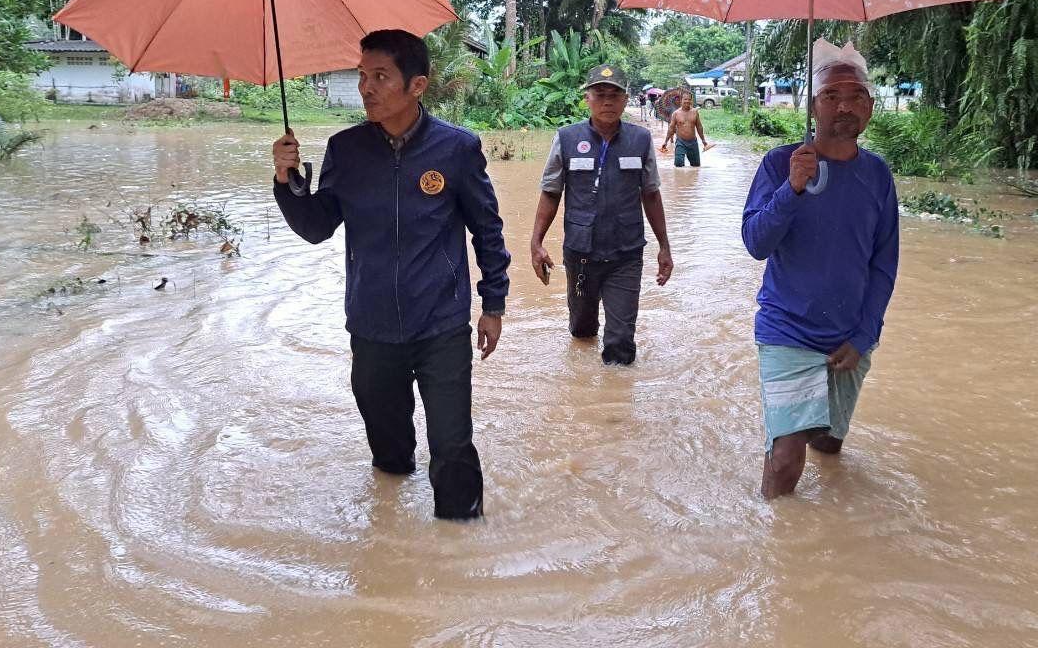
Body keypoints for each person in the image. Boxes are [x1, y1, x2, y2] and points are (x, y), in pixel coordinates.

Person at [271, 29, 510, 520]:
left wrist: (493, 304)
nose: (366, 88)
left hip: (440, 323)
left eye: (380, 76)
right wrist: (287, 181)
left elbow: (487, 230)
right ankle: (391, 549)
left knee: (453, 447)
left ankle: (459, 550)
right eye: (362, 76)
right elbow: (317, 227)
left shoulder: (457, 149)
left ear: (417, 85)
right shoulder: (346, 150)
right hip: (372, 325)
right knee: (390, 457)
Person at [740, 39, 898, 499]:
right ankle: (778, 552)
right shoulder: (779, 163)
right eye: (832, 96)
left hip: (849, 332)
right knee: (787, 463)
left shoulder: (878, 175)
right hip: (787, 329)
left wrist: (865, 334)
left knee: (829, 443)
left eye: (855, 97)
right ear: (814, 107)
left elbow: (883, 263)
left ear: (870, 108)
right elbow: (755, 244)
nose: (844, 106)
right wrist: (791, 188)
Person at [529, 64, 673, 365]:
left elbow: (651, 194)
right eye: (600, 94)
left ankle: (617, 408)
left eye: (615, 95)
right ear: (587, 99)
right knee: (582, 332)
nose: (608, 101)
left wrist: (664, 246)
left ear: (625, 100)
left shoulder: (641, 140)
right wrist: (536, 243)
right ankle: (585, 402)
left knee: (620, 342)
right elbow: (551, 192)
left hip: (626, 253)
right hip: (581, 252)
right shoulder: (567, 138)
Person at [660, 92, 713, 167]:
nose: (687, 101)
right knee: (678, 164)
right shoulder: (676, 113)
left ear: (691, 101)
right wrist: (665, 141)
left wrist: (703, 140)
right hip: (680, 142)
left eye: (689, 99)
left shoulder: (695, 112)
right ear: (681, 100)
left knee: (696, 166)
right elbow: (671, 128)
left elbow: (699, 127)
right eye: (685, 99)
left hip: (693, 142)